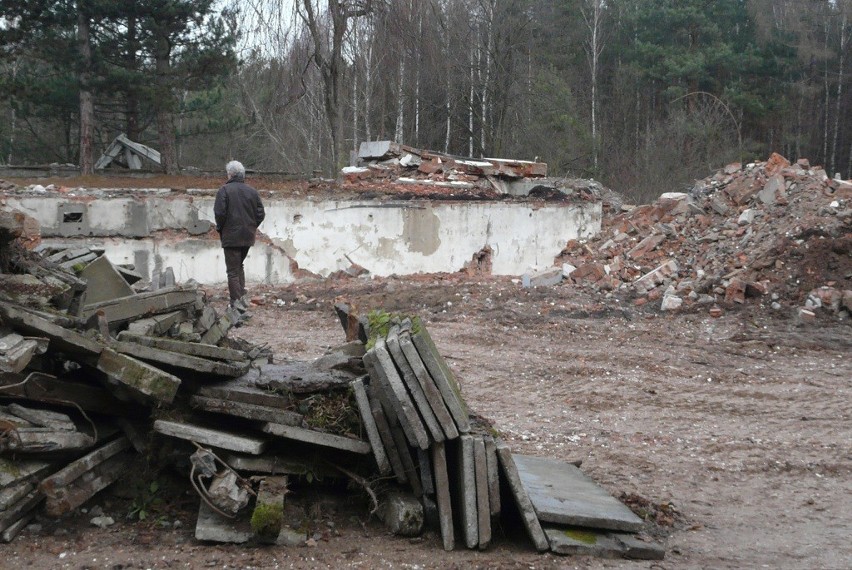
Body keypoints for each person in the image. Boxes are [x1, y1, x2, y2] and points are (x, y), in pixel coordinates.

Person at [214, 160, 265, 313]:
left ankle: (236, 306)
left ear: (230, 174)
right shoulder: (252, 191)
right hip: (247, 236)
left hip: (231, 237)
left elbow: (220, 213)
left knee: (232, 271)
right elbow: (260, 214)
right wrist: (251, 226)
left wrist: (221, 228)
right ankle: (241, 300)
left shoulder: (224, 190)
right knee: (239, 267)